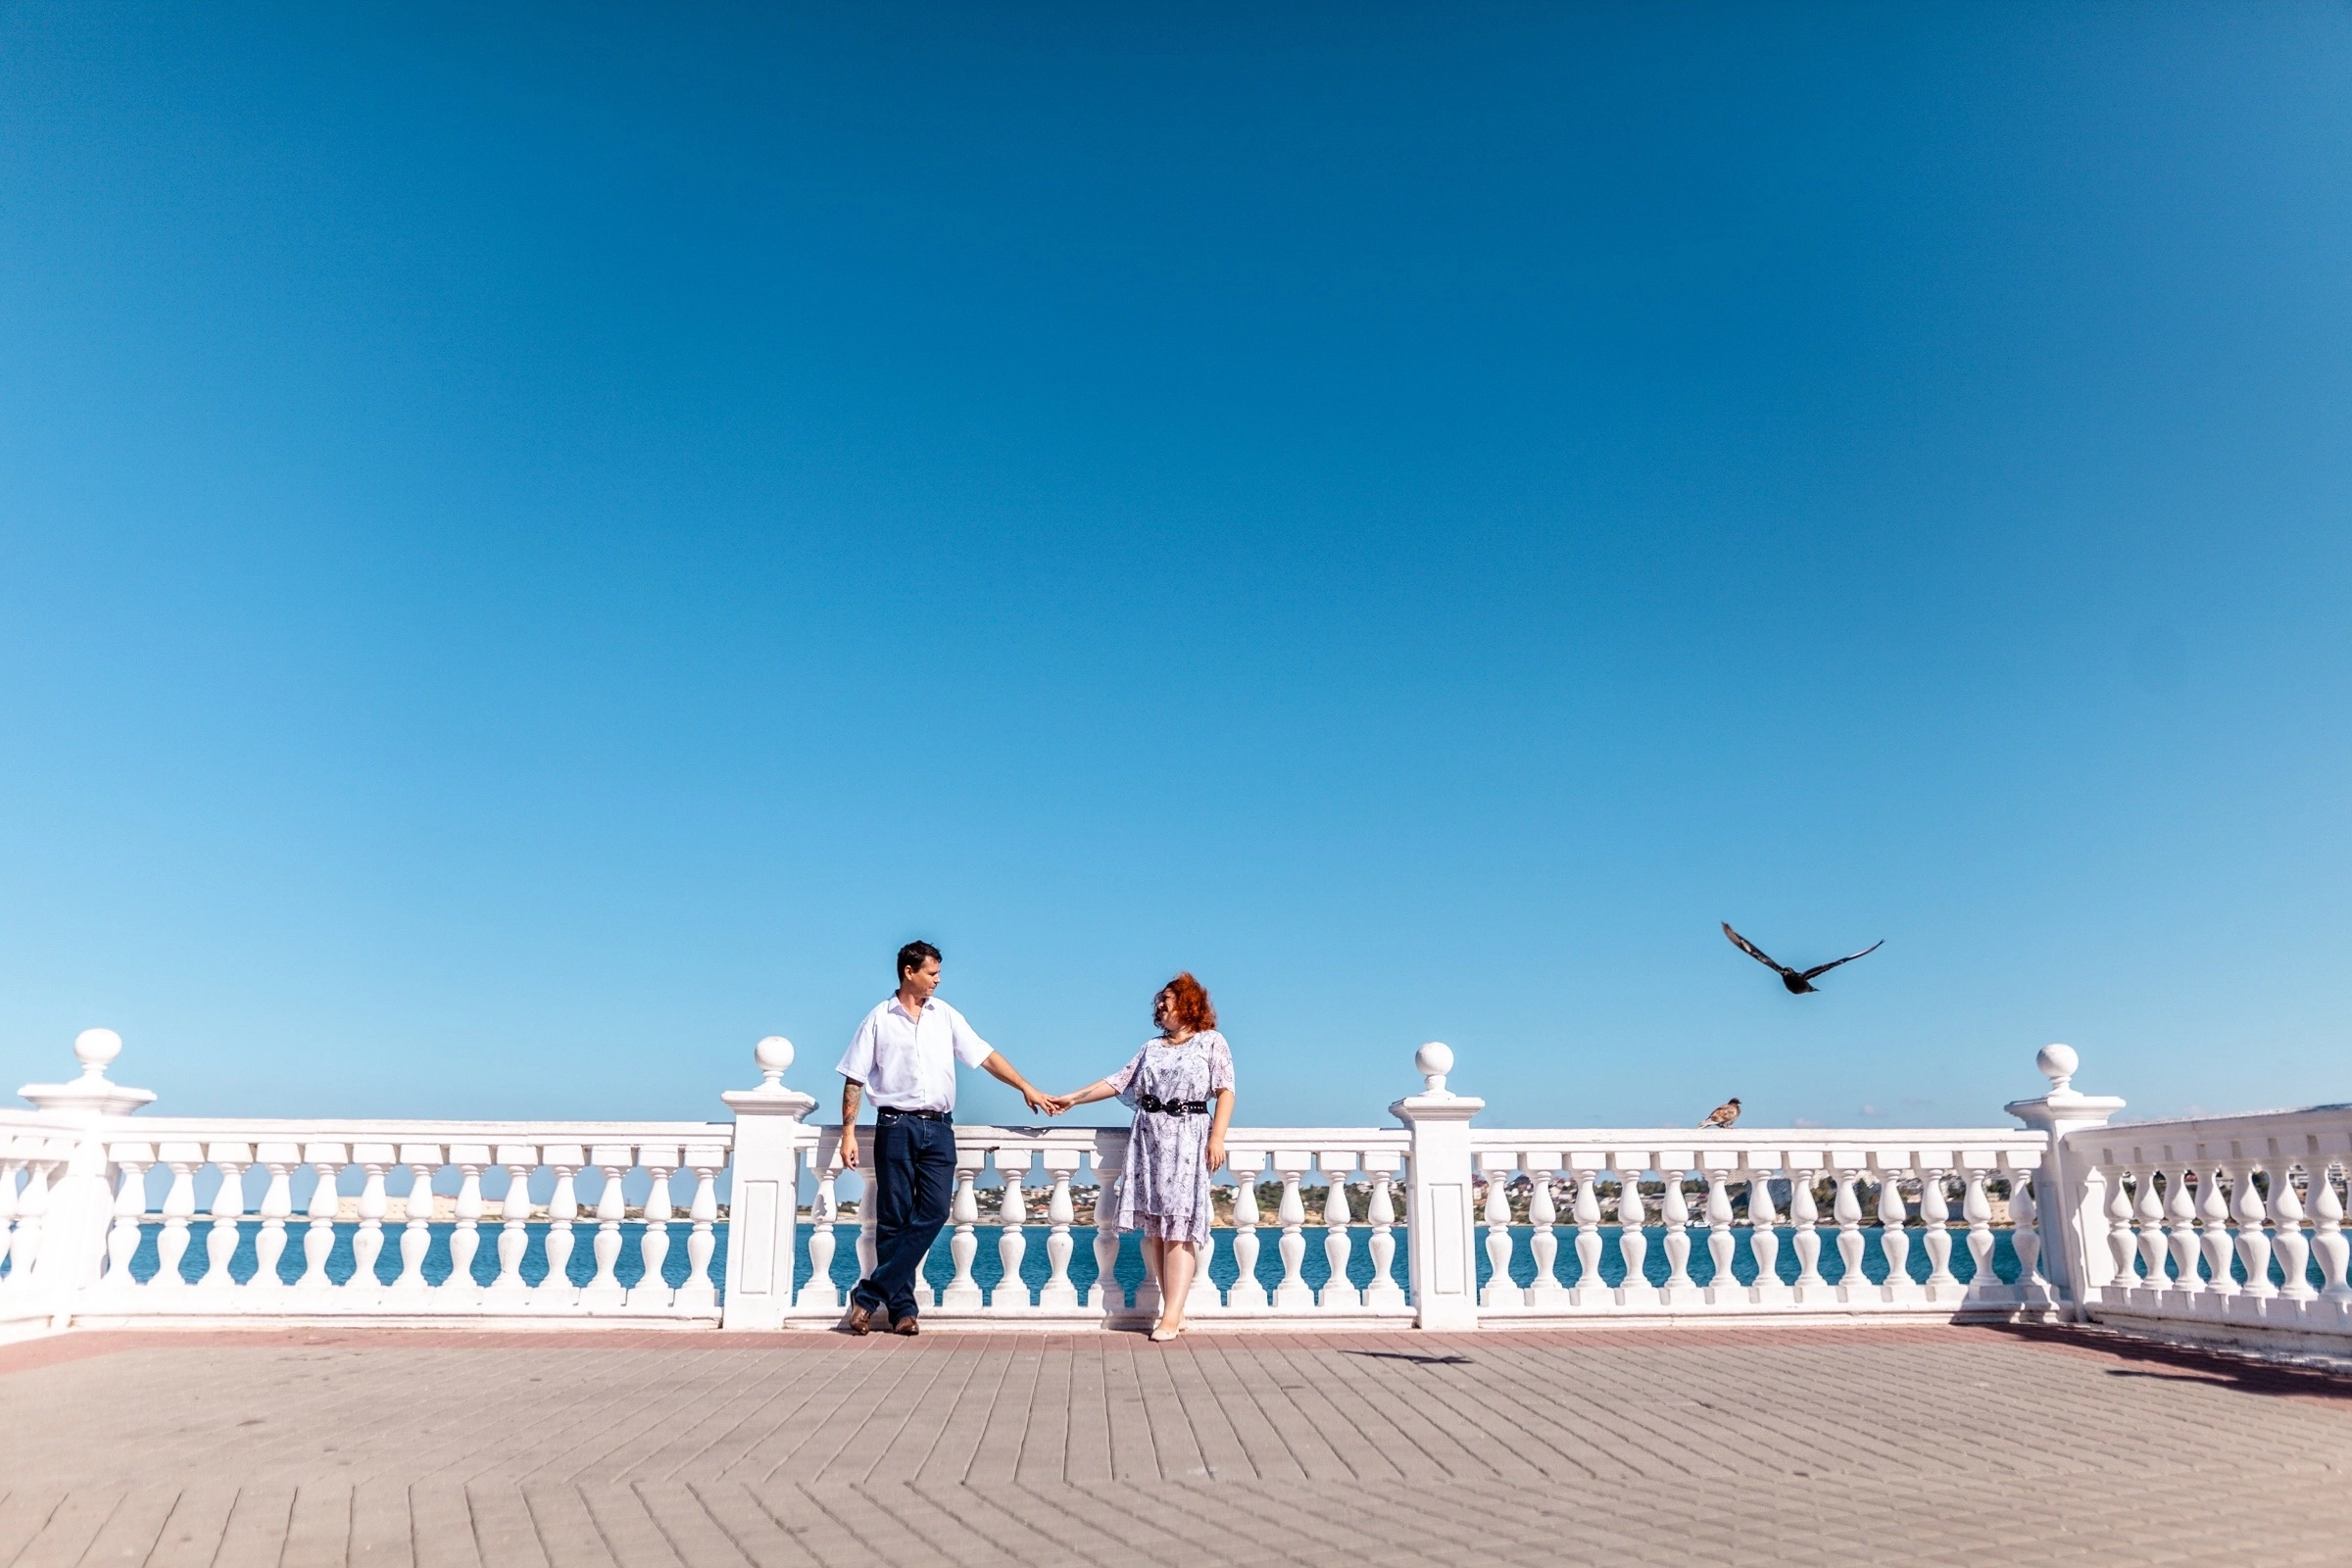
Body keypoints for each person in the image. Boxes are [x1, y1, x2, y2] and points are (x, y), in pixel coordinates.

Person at [836, 940, 1054, 1336]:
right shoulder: (878, 1019)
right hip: (894, 1126)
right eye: (931, 973)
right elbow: (854, 1077)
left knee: (935, 1211)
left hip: (938, 1127)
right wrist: (848, 1133)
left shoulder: (946, 1016)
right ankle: (903, 1311)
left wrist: (1025, 1085)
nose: (938, 980)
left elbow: (985, 1055)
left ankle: (867, 1296)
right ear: (909, 972)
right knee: (893, 1221)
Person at [1050, 972, 1235, 1342]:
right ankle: (1174, 1311)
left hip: (1188, 1136)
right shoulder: (1151, 1047)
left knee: (1179, 1227)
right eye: (1160, 999)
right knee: (1159, 1231)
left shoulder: (1211, 1042)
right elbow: (1117, 1081)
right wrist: (1072, 1097)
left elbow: (1226, 1090)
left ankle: (1171, 1317)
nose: (1161, 1004)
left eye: (1169, 998)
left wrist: (1217, 1137)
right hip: (1150, 1138)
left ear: (1189, 1003)